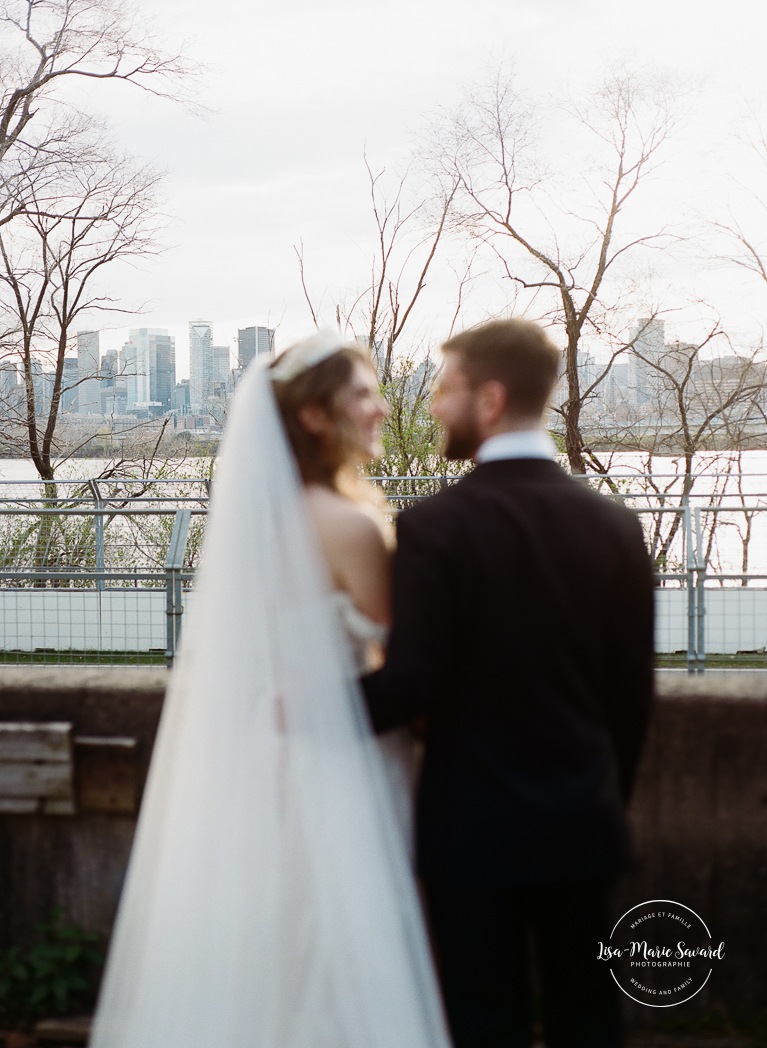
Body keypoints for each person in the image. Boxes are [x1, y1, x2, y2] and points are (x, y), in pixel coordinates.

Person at [89, 331, 452, 1048]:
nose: (381, 409)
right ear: (315, 416)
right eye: (363, 395)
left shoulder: (257, 526)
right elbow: (401, 657)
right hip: (343, 763)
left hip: (259, 760)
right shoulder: (348, 527)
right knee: (340, 953)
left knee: (269, 951)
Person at [363, 318, 655, 1048]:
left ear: (488, 399)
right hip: (582, 828)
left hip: (471, 836)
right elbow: (630, 700)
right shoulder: (614, 526)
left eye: (444, 386)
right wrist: (598, 799)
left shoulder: (434, 527)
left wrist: (303, 698)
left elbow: (410, 686)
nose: (432, 404)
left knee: (480, 1022)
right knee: (588, 1019)